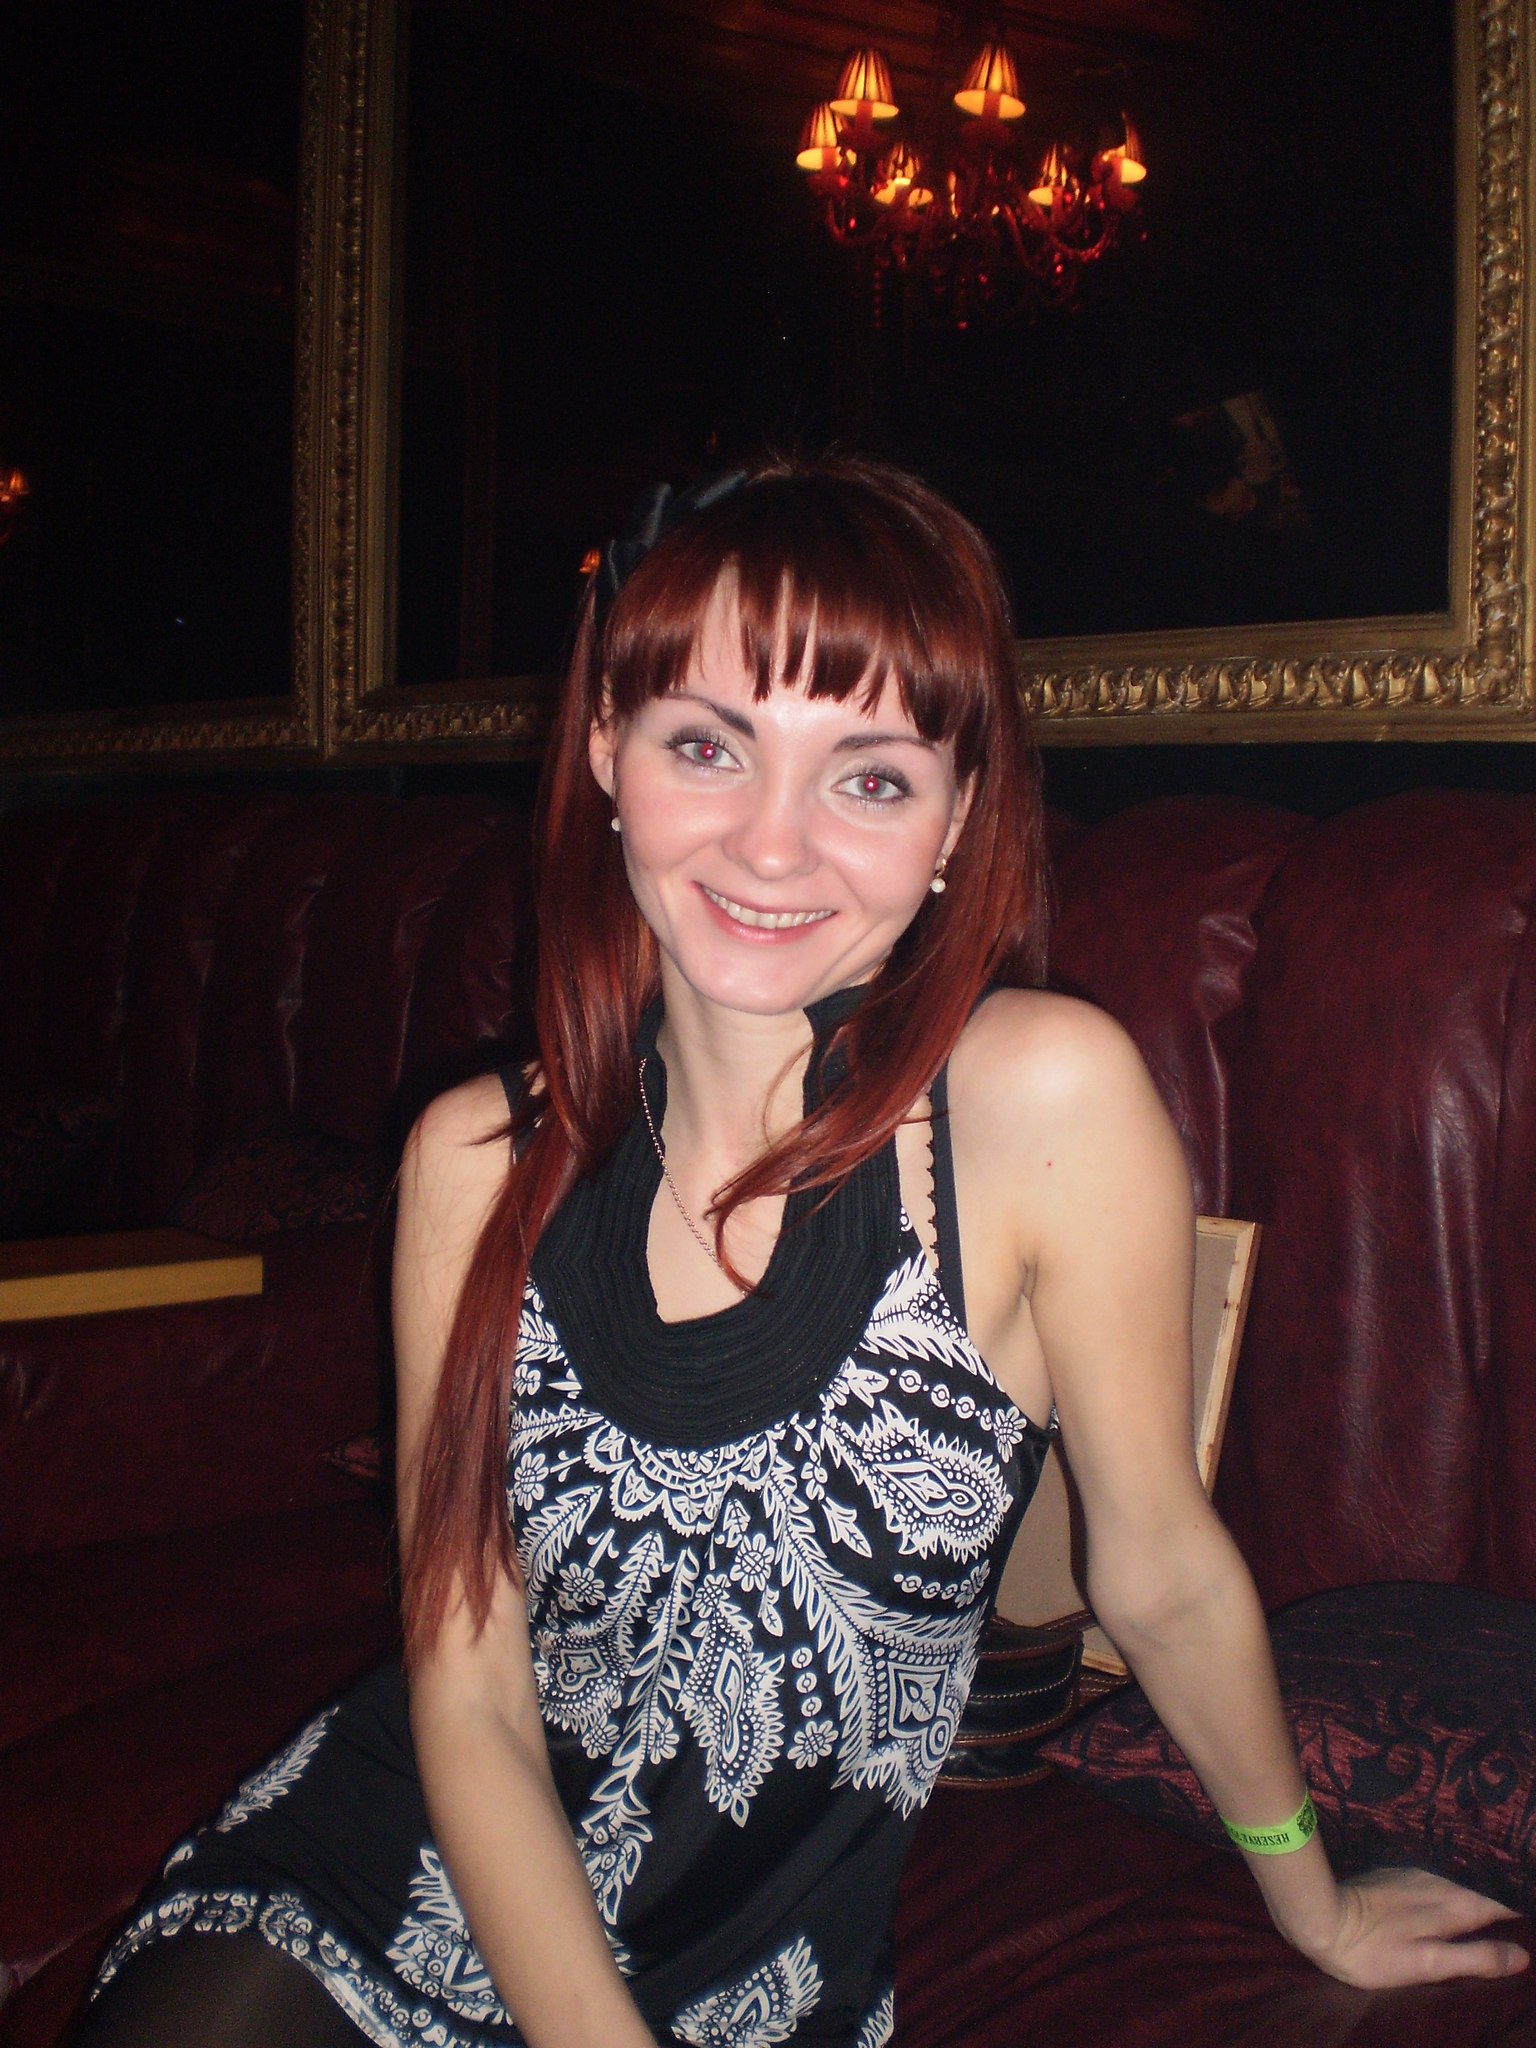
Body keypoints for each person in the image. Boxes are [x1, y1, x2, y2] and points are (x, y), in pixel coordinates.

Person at [77, 457, 1526, 2048]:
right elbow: (467, 1684)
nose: (773, 848)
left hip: (754, 1967)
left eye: (870, 779)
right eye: (709, 746)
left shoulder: (1045, 1104)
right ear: (608, 753)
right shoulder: (472, 1166)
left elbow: (1160, 1569)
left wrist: (1312, 1896)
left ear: (957, 818)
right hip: (375, 1882)